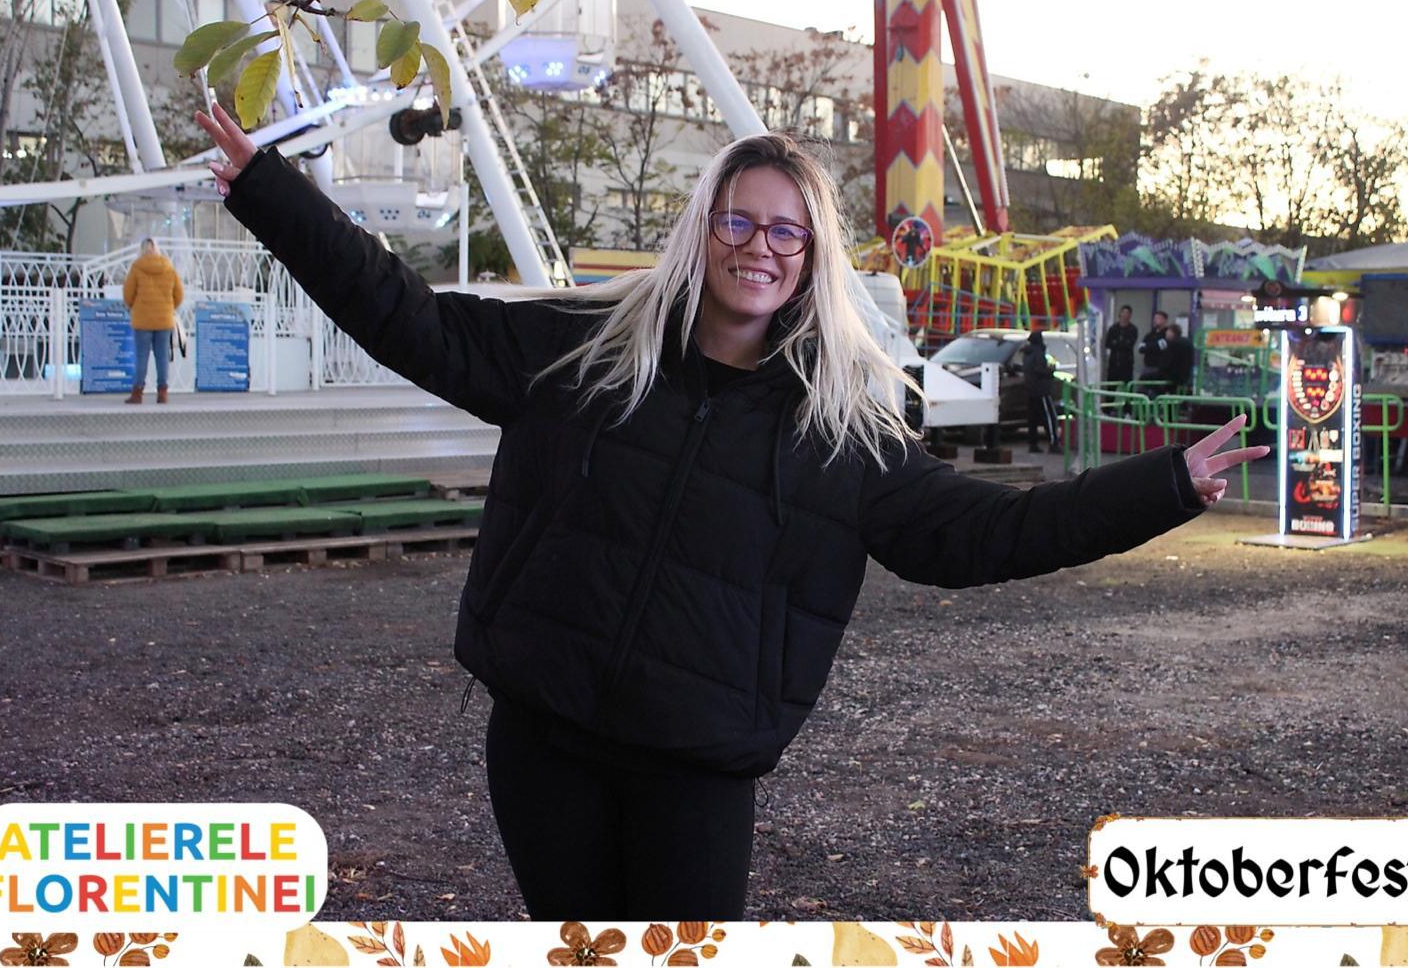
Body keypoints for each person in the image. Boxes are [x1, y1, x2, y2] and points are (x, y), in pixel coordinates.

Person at [196, 101, 1267, 921]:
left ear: (812, 258)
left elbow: (984, 534)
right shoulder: (583, 354)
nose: (760, 246)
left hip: (695, 767)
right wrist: (269, 190)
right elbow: (405, 317)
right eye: (740, 221)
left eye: (787, 233)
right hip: (545, 741)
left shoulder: (842, 429)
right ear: (704, 231)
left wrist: (1163, 485)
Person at [121, 237, 184, 404]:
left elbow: (127, 295)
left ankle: (137, 393)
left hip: (142, 320)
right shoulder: (169, 268)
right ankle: (162, 393)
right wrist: (168, 307)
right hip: (164, 320)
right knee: (162, 357)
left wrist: (135, 307)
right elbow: (179, 294)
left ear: (142, 250)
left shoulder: (137, 267)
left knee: (141, 357)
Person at [1020, 329, 1060, 454]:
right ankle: (1053, 443)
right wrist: (1050, 371)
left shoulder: (1027, 353)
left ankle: (1033, 444)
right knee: (1050, 417)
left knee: (1032, 419)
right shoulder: (1038, 353)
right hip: (1042, 390)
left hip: (1030, 389)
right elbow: (1039, 369)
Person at [1103, 305, 1138, 387]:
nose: (1125, 315)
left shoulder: (1132, 329)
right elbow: (1108, 343)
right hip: (1114, 363)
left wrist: (1117, 343)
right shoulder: (1113, 328)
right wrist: (1120, 343)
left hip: (1127, 363)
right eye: (1123, 312)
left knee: (1127, 386)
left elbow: (1129, 344)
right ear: (1120, 314)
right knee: (1111, 386)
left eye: (1127, 313)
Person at [1137, 309, 1169, 386]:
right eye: (1155, 318)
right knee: (1141, 387)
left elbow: (1161, 346)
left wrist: (1148, 346)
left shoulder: (1166, 334)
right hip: (1148, 366)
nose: (1155, 321)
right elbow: (1141, 348)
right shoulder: (1150, 334)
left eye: (1158, 318)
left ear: (1164, 320)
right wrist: (1154, 345)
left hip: (1159, 367)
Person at [1163, 323, 1194, 394]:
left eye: (1167, 332)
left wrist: (1162, 373)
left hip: (1173, 377)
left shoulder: (1172, 344)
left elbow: (1167, 362)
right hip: (1186, 376)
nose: (1166, 334)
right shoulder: (1188, 342)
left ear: (1172, 332)